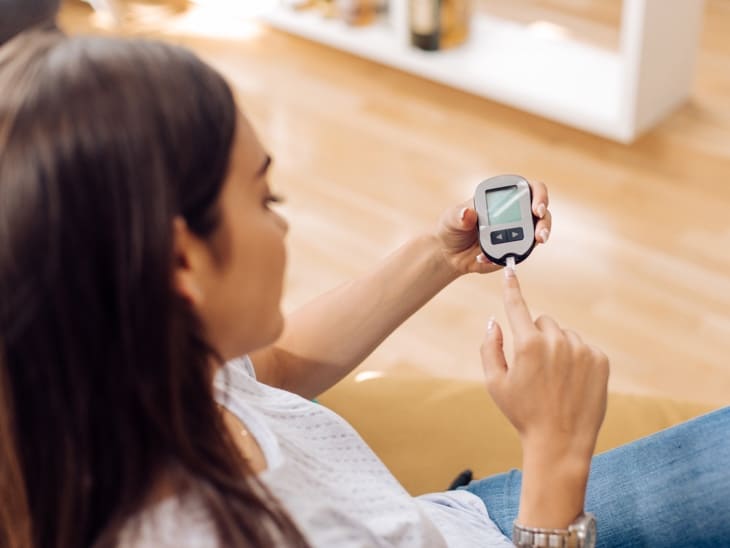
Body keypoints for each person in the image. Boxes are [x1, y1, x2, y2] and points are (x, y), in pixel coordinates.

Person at [0, 30, 728, 548]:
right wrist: (555, 455)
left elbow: (274, 369)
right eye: (266, 201)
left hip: (457, 521)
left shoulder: (137, 367)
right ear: (182, 262)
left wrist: (440, 257)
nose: (284, 227)